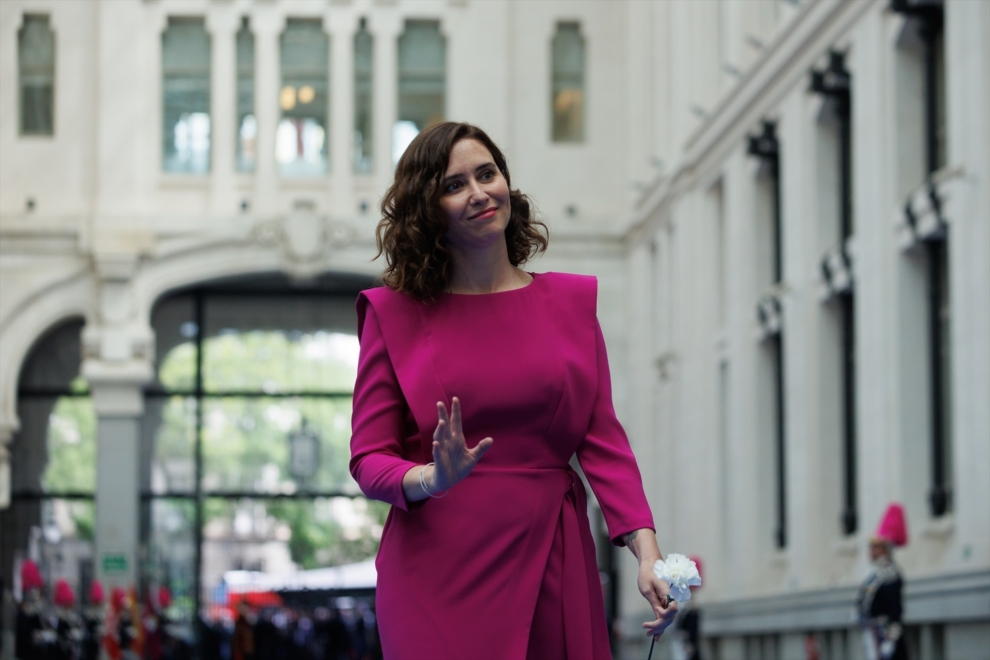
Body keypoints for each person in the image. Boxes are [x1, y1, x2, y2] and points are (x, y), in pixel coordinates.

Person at [349, 121, 677, 659]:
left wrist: (647, 551)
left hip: (552, 550)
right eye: (455, 185)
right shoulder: (393, 316)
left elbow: (602, 441)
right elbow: (368, 459)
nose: (479, 192)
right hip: (435, 567)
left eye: (487, 174)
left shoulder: (570, 305)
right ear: (427, 211)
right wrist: (431, 477)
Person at [857, 503, 909, 660]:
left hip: (885, 632)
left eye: (875, 547)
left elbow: (895, 611)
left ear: (884, 549)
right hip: (872, 630)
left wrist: (891, 640)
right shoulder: (873, 573)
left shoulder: (890, 574)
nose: (871, 551)